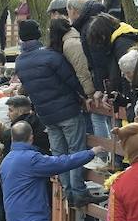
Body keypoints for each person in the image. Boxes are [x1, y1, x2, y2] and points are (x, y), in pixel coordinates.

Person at [13, 18, 90, 203]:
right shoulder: (51, 56)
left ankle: (65, 191)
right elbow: (71, 80)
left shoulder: (20, 62)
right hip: (67, 110)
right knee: (75, 149)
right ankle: (77, 191)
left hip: (46, 114)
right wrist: (85, 95)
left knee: (58, 154)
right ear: (37, 35)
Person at [0, 119, 95, 221]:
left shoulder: (5, 162)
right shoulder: (31, 159)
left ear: (12, 138)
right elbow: (63, 162)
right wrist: (91, 153)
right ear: (31, 137)